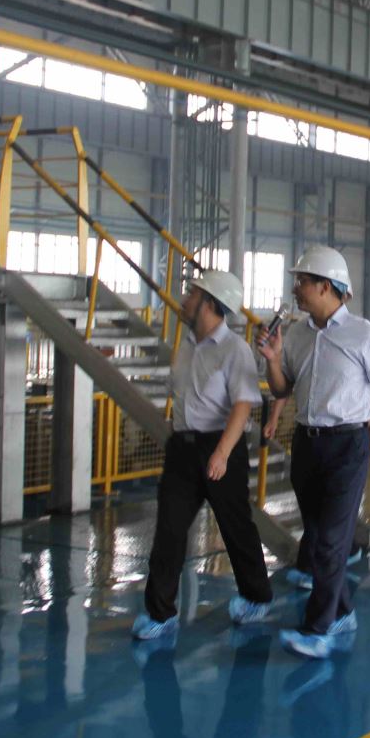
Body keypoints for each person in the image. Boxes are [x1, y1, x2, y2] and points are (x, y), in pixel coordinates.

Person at [259, 245, 370, 659]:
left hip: (348, 446)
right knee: (318, 536)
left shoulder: (363, 334)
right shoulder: (297, 334)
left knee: (331, 540)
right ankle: (342, 611)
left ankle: (318, 628)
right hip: (307, 445)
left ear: (325, 287)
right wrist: (272, 360)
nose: (296, 288)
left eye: (302, 281)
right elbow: (281, 388)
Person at [133, 270, 274, 641]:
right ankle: (160, 613)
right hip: (183, 448)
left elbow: (243, 404)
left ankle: (256, 597)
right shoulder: (186, 345)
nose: (184, 301)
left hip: (221, 446)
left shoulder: (234, 350)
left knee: (235, 525)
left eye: (192, 295)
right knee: (169, 529)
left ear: (210, 303)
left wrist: (222, 453)